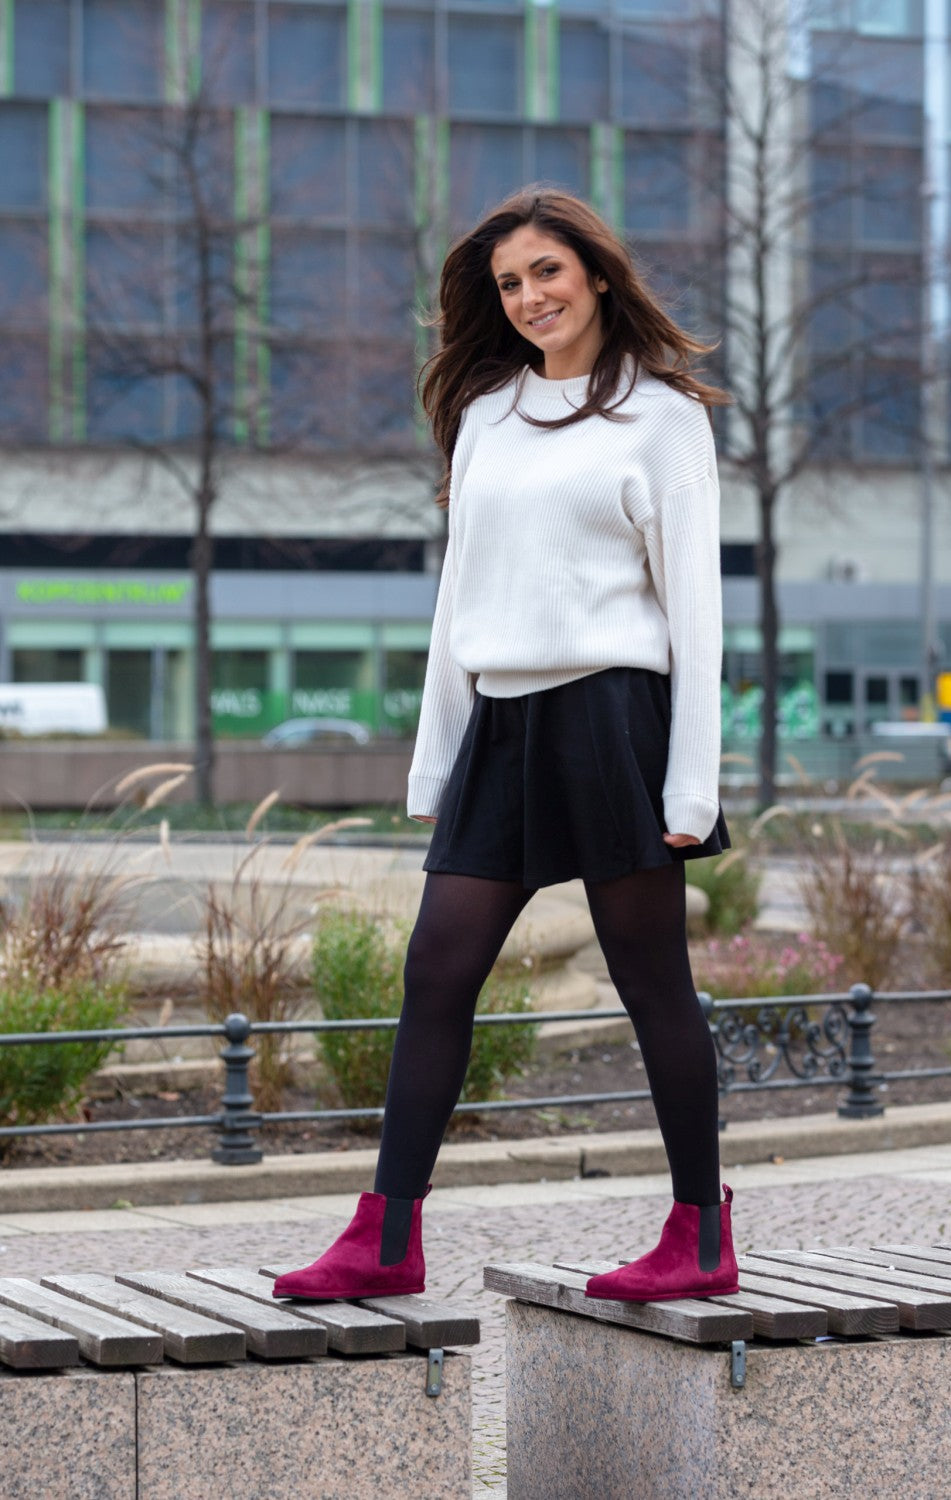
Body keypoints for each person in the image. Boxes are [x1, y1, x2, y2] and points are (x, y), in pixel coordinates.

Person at [273, 188, 739, 1306]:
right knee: (436, 969)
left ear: (597, 274)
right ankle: (387, 1237)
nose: (530, 297)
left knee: (652, 983)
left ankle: (701, 1234)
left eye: (547, 272)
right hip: (502, 724)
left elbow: (697, 612)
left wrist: (692, 784)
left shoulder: (663, 419)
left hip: (614, 720)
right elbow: (459, 601)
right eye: (509, 284)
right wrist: (435, 760)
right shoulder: (487, 413)